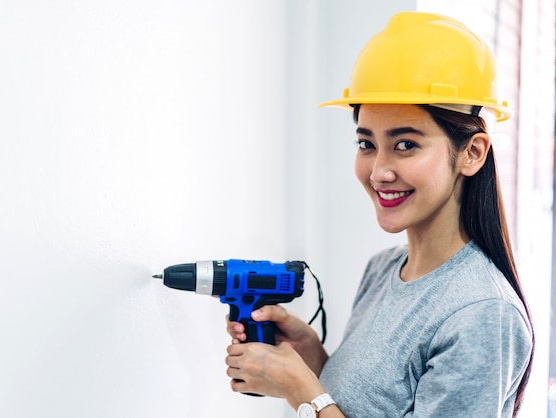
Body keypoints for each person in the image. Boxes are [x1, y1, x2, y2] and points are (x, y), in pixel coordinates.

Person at [224, 11, 534, 417]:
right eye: (366, 143)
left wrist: (303, 392)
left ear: (472, 153)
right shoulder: (383, 270)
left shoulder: (481, 314)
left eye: (405, 144)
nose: (379, 171)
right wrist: (313, 362)